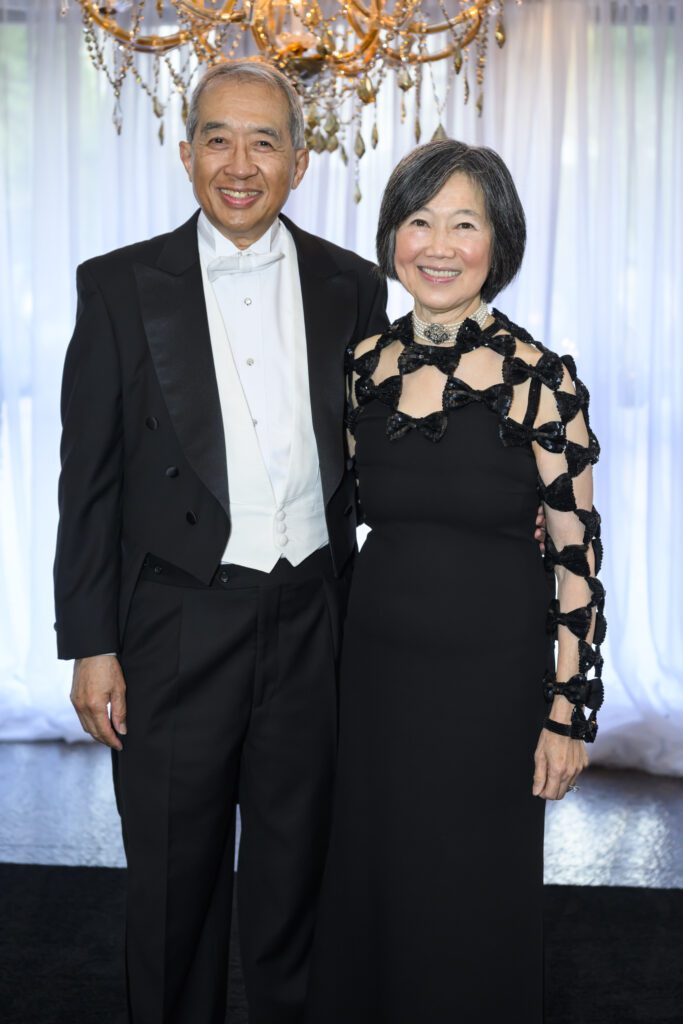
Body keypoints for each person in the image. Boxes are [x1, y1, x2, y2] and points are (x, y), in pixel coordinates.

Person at [53, 61, 389, 1024]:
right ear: (187, 148)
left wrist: (499, 503)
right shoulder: (117, 286)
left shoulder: (353, 285)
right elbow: (90, 481)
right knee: (171, 891)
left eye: (264, 141)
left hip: (313, 620)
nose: (239, 164)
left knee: (295, 887)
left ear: (300, 158)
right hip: (175, 621)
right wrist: (91, 643)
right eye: (217, 138)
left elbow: (382, 449)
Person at [305, 140, 605, 1023]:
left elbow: (577, 556)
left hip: (493, 685)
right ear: (392, 236)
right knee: (370, 879)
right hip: (374, 677)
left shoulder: (543, 383)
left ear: (497, 242)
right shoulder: (363, 366)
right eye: (419, 220)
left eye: (463, 223)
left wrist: (567, 711)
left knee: (472, 896)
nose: (438, 244)